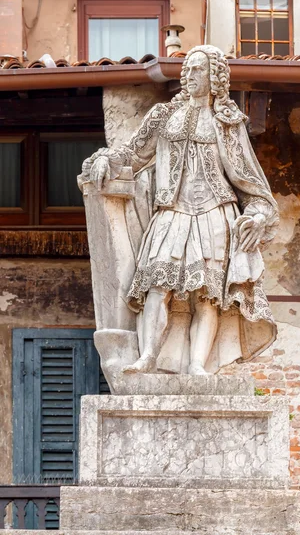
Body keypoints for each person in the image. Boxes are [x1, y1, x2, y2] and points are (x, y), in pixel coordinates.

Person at [82, 45, 279, 375]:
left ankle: (198, 364)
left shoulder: (227, 124)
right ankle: (148, 357)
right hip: (171, 213)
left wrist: (258, 215)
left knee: (208, 296)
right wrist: (104, 158)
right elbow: (132, 154)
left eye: (197, 69)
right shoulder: (162, 116)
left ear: (214, 78)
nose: (188, 75)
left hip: (216, 214)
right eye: (186, 69)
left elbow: (251, 185)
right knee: (157, 288)